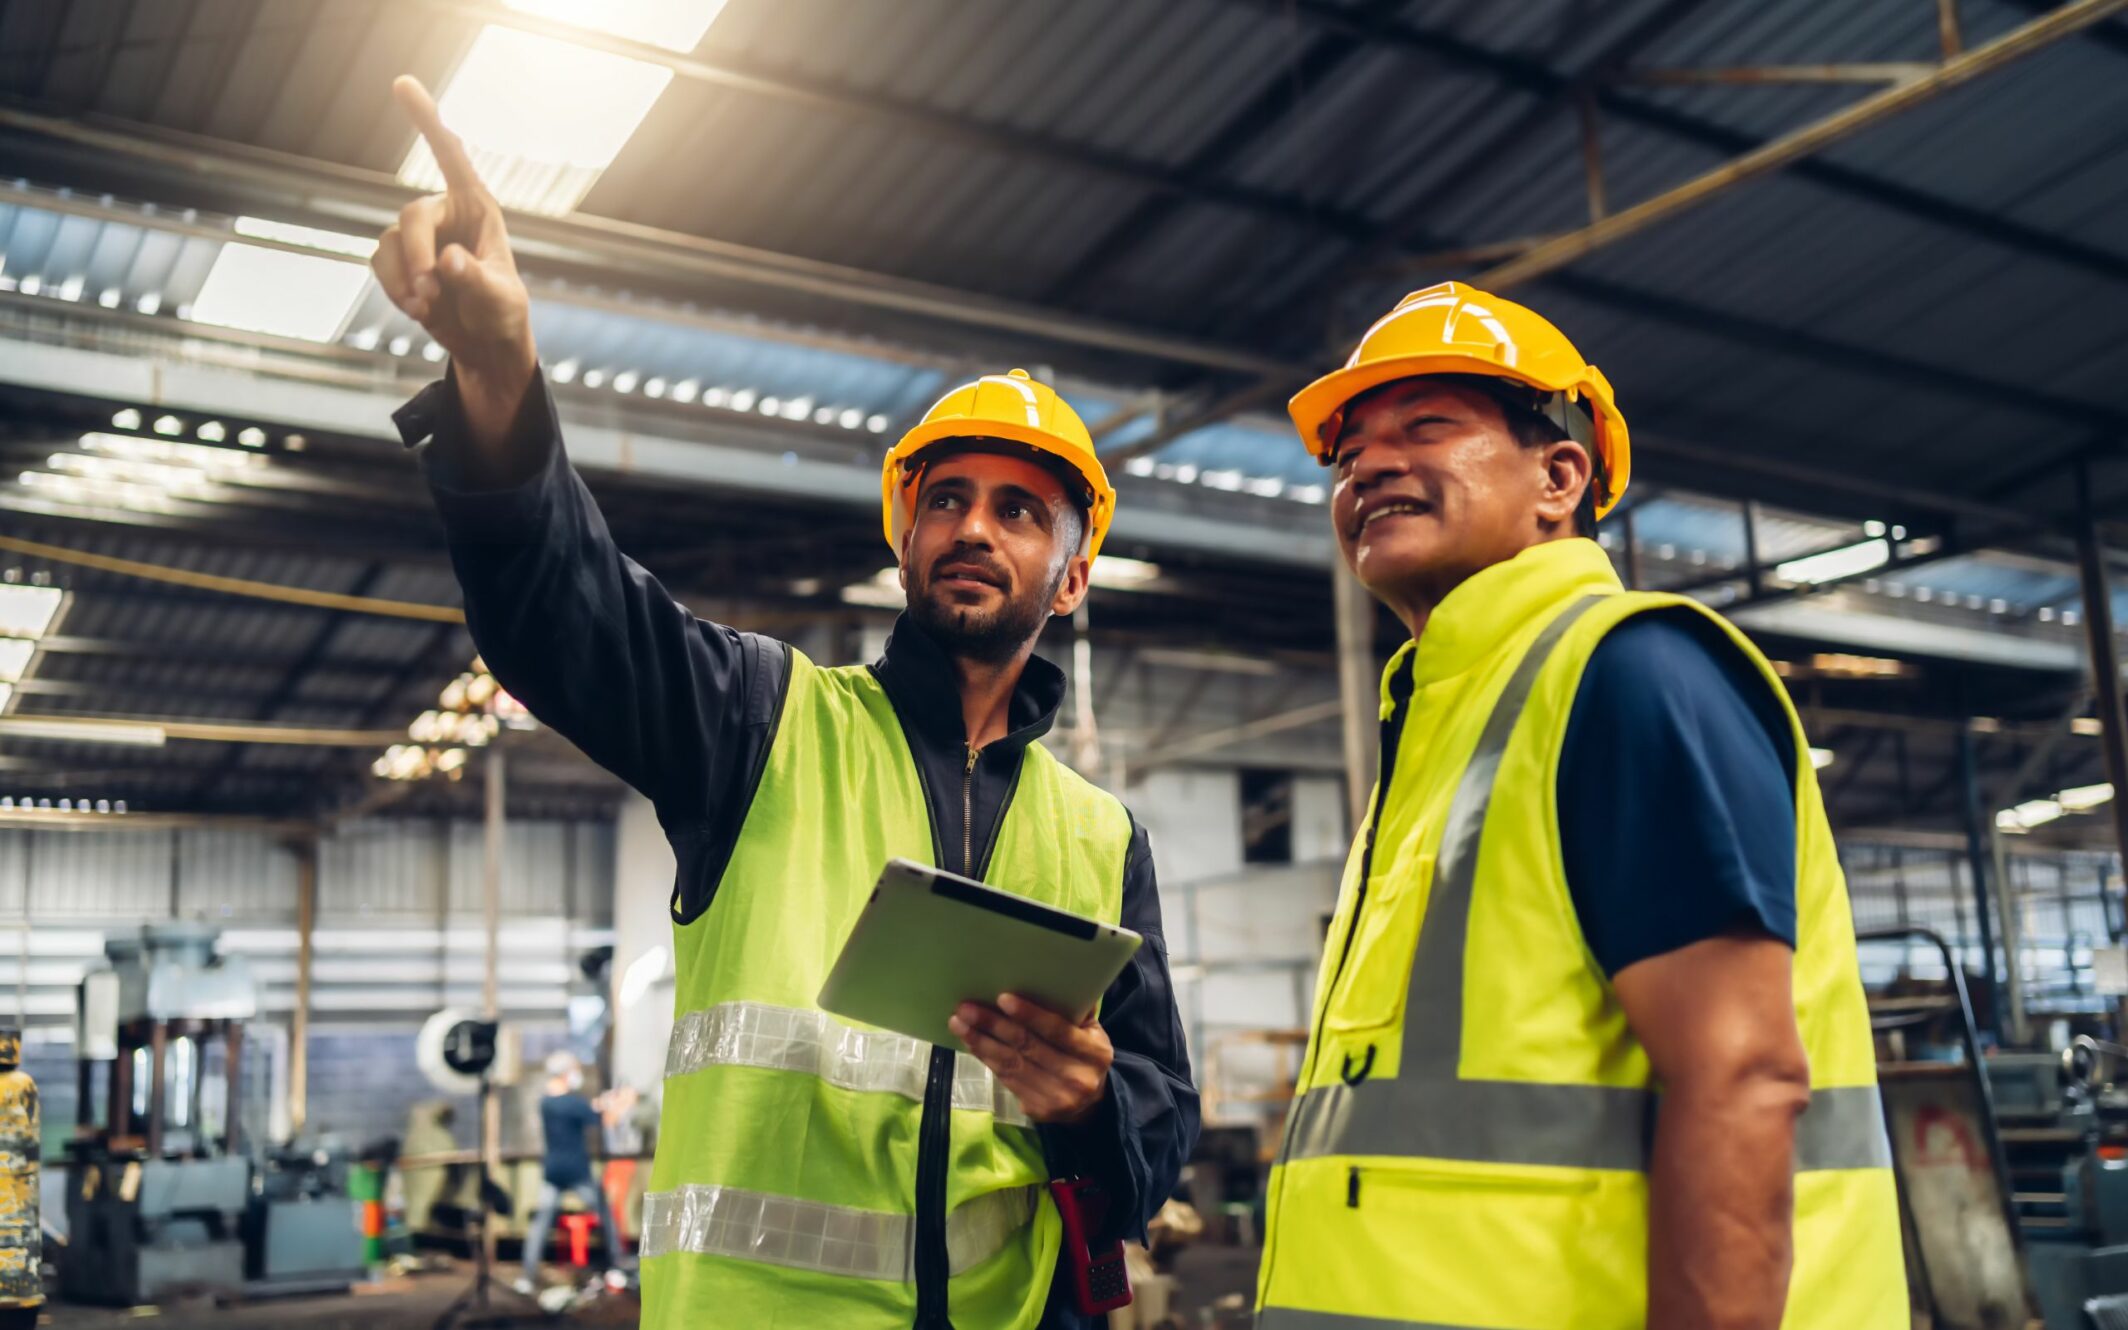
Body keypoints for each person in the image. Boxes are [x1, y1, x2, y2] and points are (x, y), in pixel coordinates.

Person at [371, 77, 1196, 1330]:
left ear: (1072, 575)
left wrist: (1089, 1106)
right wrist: (498, 372)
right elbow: (565, 613)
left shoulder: (1099, 836)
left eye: (1019, 508)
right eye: (947, 498)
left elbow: (1159, 1117)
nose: (973, 525)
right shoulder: (762, 721)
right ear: (905, 537)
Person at [1252, 282, 1905, 1329]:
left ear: (1560, 477)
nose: (1368, 464)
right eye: (1348, 452)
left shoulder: (1625, 673)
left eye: (1425, 426)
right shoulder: (1439, 727)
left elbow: (1740, 1075)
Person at [517, 1051, 633, 1295]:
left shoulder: (547, 1102)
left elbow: (588, 1108)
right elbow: (604, 1120)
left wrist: (603, 1103)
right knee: (606, 1214)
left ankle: (527, 1277)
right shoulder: (571, 1103)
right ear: (565, 1073)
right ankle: (619, 1264)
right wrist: (620, 1104)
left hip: (552, 1171)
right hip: (577, 1171)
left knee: (540, 1225)